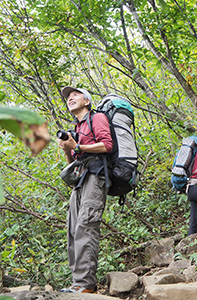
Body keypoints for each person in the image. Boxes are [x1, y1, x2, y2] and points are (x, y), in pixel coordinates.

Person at [57, 86, 113, 293]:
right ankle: (77, 281)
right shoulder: (77, 127)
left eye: (75, 95)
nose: (70, 98)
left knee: (86, 225)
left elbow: (107, 145)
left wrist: (78, 147)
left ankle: (85, 283)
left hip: (95, 176)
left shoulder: (96, 118)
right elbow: (73, 160)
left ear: (87, 101)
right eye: (68, 97)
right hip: (80, 179)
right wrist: (68, 149)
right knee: (73, 228)